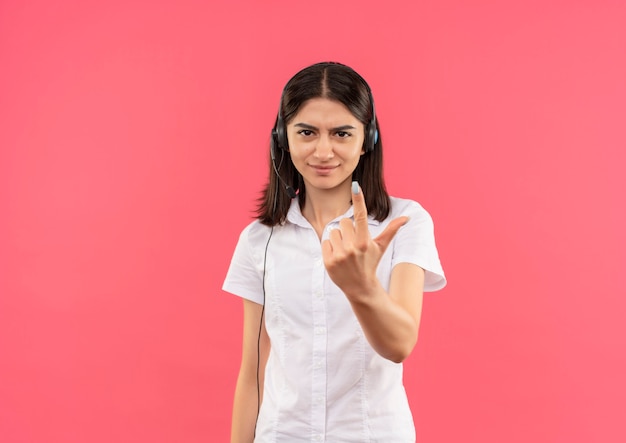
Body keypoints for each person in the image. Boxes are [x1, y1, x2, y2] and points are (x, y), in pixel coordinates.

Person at [223, 62, 446, 443]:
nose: (323, 151)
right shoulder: (258, 239)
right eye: (307, 132)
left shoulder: (406, 222)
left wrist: (362, 287)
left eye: (342, 133)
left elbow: (400, 345)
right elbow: (252, 371)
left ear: (367, 139)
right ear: (282, 138)